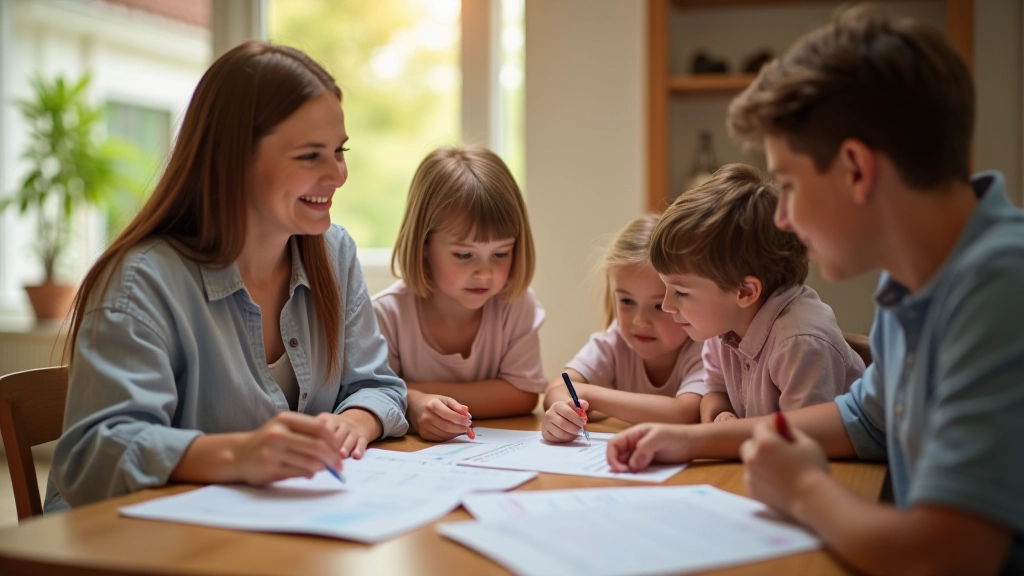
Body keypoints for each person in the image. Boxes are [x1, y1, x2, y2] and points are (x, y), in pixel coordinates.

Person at [606, 6, 1024, 575]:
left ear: (855, 168)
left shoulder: (999, 288)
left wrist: (805, 492)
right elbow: (862, 419)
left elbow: (945, 555)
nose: (783, 218)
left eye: (789, 185)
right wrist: (692, 441)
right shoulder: (915, 283)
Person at [45, 41, 408, 511]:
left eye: (339, 150)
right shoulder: (141, 281)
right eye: (310, 156)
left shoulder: (334, 253)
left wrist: (356, 421)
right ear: (234, 158)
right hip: (131, 546)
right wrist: (238, 453)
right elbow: (93, 459)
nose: (338, 173)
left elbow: (376, 384)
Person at [652, 163, 863, 423]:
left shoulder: (800, 343)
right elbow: (715, 390)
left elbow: (803, 439)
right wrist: (721, 415)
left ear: (745, 291)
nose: (667, 305)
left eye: (681, 292)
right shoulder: (723, 325)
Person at [373, 147, 545, 442]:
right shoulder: (388, 314)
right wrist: (414, 401)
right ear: (424, 244)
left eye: (501, 253)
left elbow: (524, 394)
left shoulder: (515, 304)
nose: (485, 273)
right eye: (464, 254)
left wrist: (413, 391)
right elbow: (377, 396)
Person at [542, 214, 705, 443]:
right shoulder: (614, 339)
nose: (640, 321)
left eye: (659, 306)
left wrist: (589, 396)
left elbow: (682, 413)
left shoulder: (706, 348)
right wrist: (564, 413)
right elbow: (557, 389)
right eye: (627, 302)